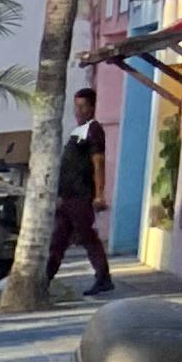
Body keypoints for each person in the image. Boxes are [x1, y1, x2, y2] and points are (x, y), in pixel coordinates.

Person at [48, 90, 114, 297]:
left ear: (92, 108)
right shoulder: (78, 131)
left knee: (87, 237)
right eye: (76, 106)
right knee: (58, 239)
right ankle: (44, 279)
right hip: (68, 196)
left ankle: (103, 278)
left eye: (83, 106)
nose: (78, 111)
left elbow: (98, 163)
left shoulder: (93, 130)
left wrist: (99, 194)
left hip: (81, 195)